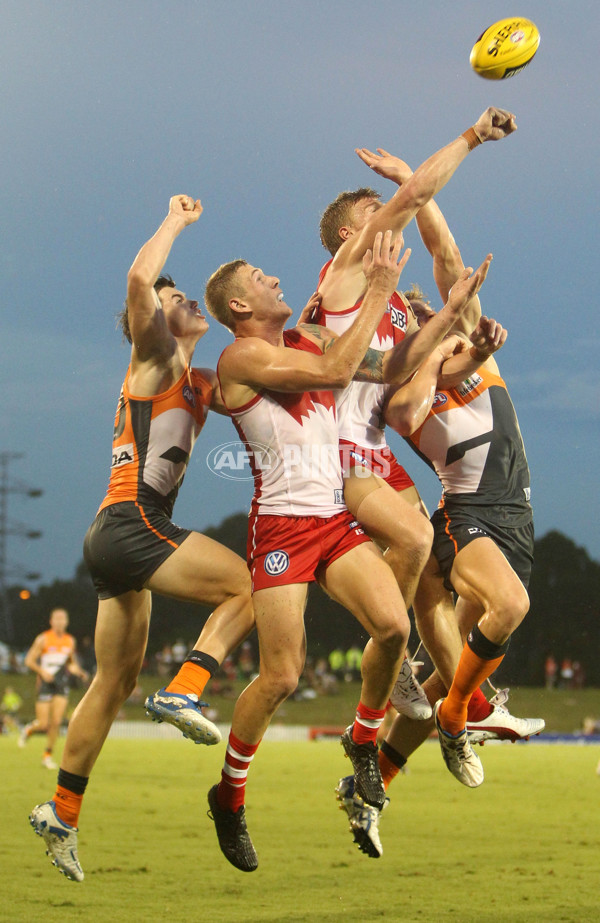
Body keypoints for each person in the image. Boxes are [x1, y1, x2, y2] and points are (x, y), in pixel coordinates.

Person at [203, 221, 493, 868]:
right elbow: (337, 372)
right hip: (280, 527)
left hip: (332, 518)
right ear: (241, 308)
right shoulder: (240, 358)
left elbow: (386, 367)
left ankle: (364, 740)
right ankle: (229, 795)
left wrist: (449, 313)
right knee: (281, 674)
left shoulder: (311, 338)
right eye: (259, 278)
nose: (275, 278)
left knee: (393, 624)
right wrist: (380, 287)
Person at [29, 195, 256, 883]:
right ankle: (187, 687)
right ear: (150, 320)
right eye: (172, 296)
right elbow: (137, 282)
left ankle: (62, 813)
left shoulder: (198, 378)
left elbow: (262, 387)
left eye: (184, 294)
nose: (180, 298)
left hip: (112, 531)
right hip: (134, 521)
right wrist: (176, 222)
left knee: (114, 679)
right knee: (245, 584)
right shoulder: (154, 354)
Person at [338, 168, 542, 853]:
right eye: (433, 323)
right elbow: (402, 405)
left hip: (514, 517)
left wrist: (417, 188)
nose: (451, 325)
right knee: (508, 608)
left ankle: (370, 792)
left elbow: (449, 260)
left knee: (438, 670)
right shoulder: (410, 393)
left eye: (447, 318)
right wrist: (433, 348)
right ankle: (463, 716)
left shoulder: (479, 357)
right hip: (467, 516)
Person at [312, 109, 518, 722]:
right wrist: (472, 136)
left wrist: (471, 348)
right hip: (340, 450)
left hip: (373, 442)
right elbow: (400, 385)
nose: (392, 217)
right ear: (356, 231)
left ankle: (468, 713)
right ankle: (392, 656)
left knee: (432, 579)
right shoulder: (342, 278)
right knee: (419, 542)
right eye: (379, 211)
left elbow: (416, 364)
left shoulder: (396, 300)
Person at [20, 608, 88, 769]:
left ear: (66, 622)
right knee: (43, 724)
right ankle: (29, 730)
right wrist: (42, 672)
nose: (59, 622)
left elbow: (70, 663)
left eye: (62, 619)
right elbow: (29, 661)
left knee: (56, 722)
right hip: (45, 683)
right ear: (51, 621)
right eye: (56, 619)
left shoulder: (70, 641)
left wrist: (79, 671)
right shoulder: (43, 639)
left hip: (60, 683)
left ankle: (47, 756)